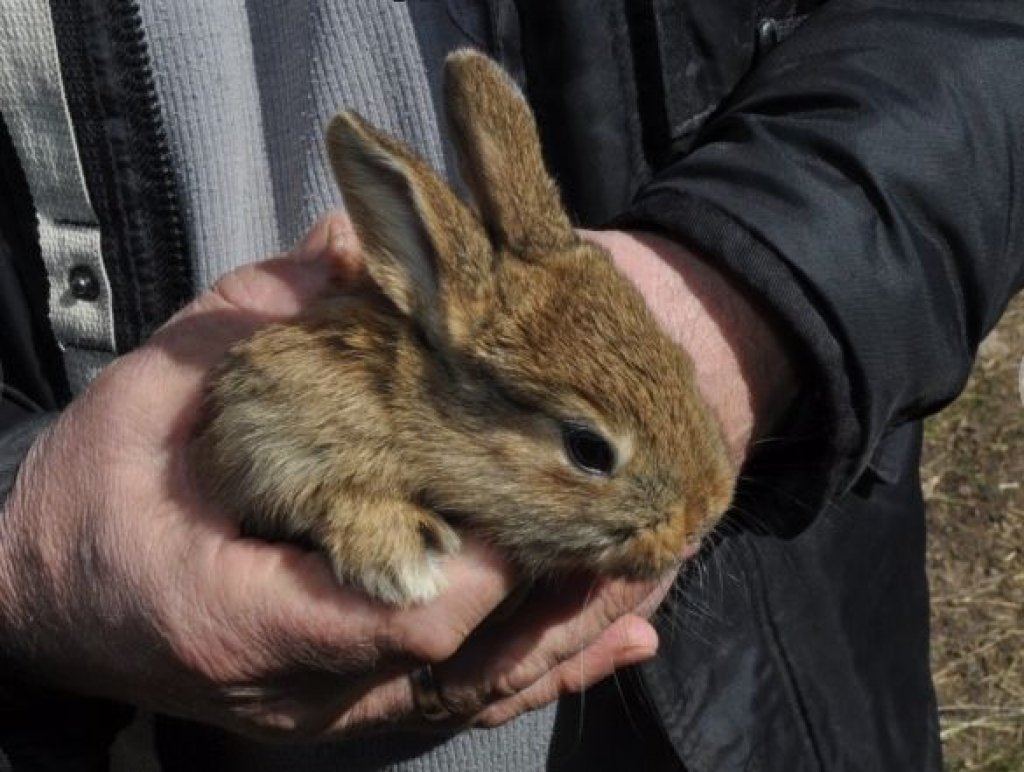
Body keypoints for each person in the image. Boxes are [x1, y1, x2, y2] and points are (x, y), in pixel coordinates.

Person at [1, 1, 1022, 770]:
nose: (696, 518)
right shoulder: (338, 395)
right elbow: (259, 436)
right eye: (587, 449)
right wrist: (24, 542)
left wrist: (744, 296)